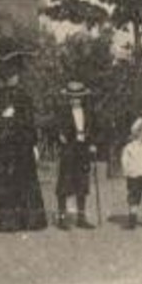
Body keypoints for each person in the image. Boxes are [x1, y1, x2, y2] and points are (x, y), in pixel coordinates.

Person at [0, 56, 49, 233]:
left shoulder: (24, 96)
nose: (14, 78)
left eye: (15, 74)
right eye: (10, 75)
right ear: (5, 77)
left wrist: (31, 139)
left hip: (21, 147)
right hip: (3, 147)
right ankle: (4, 222)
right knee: (3, 183)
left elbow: (29, 121)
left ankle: (27, 220)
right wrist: (4, 116)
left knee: (23, 182)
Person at [53, 80, 99, 229]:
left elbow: (93, 129)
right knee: (65, 184)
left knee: (82, 183)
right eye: (72, 97)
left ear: (82, 98)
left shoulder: (88, 112)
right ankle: (61, 218)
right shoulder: (62, 112)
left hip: (83, 149)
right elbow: (55, 128)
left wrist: (92, 143)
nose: (75, 100)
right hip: (69, 149)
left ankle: (81, 218)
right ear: (68, 98)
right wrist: (59, 136)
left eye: (78, 97)